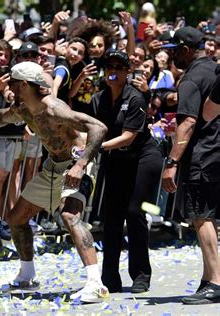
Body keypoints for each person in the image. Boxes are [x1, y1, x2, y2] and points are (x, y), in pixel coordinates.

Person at [0, 61, 109, 303]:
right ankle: (27, 275)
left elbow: (98, 126)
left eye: (13, 84)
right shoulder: (25, 109)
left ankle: (95, 284)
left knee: (70, 216)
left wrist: (80, 166)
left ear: (24, 84)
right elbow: (2, 116)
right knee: (16, 219)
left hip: (76, 167)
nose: (10, 88)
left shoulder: (54, 108)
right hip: (52, 169)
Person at [93, 50, 163, 293]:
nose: (112, 71)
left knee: (134, 213)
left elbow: (128, 137)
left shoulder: (135, 98)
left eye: (118, 67)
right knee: (111, 218)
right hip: (116, 159)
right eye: (108, 67)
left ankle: (141, 275)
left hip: (143, 157)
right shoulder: (98, 99)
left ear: (126, 72)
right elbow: (93, 129)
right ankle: (110, 278)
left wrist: (95, 146)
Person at [161, 27, 220, 305]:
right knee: (205, 215)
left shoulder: (191, 79)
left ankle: (216, 283)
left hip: (202, 155)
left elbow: (187, 123)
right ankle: (209, 279)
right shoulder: (214, 71)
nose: (171, 56)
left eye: (174, 51)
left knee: (201, 215)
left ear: (185, 50)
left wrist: (171, 163)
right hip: (215, 153)